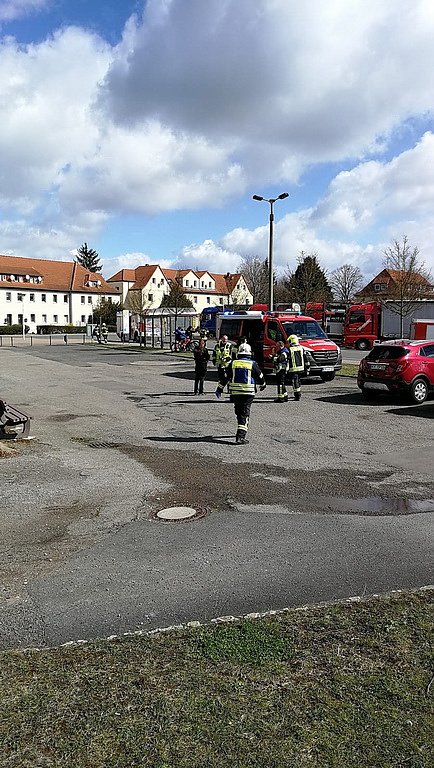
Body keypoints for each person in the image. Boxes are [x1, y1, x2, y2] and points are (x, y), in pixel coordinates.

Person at [216, 341, 266, 444]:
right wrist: (263, 384)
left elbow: (226, 377)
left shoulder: (233, 363)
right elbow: (260, 376)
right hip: (248, 393)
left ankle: (240, 430)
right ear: (249, 352)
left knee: (239, 413)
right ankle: (240, 437)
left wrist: (219, 388)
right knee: (245, 414)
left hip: (235, 393)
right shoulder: (252, 363)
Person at [287, 334, 305, 401]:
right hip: (301, 368)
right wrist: (307, 367)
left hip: (294, 369)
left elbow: (288, 359)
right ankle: (298, 393)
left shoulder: (290, 349)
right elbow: (305, 358)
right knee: (298, 381)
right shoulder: (301, 348)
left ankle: (297, 395)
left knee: (295, 382)